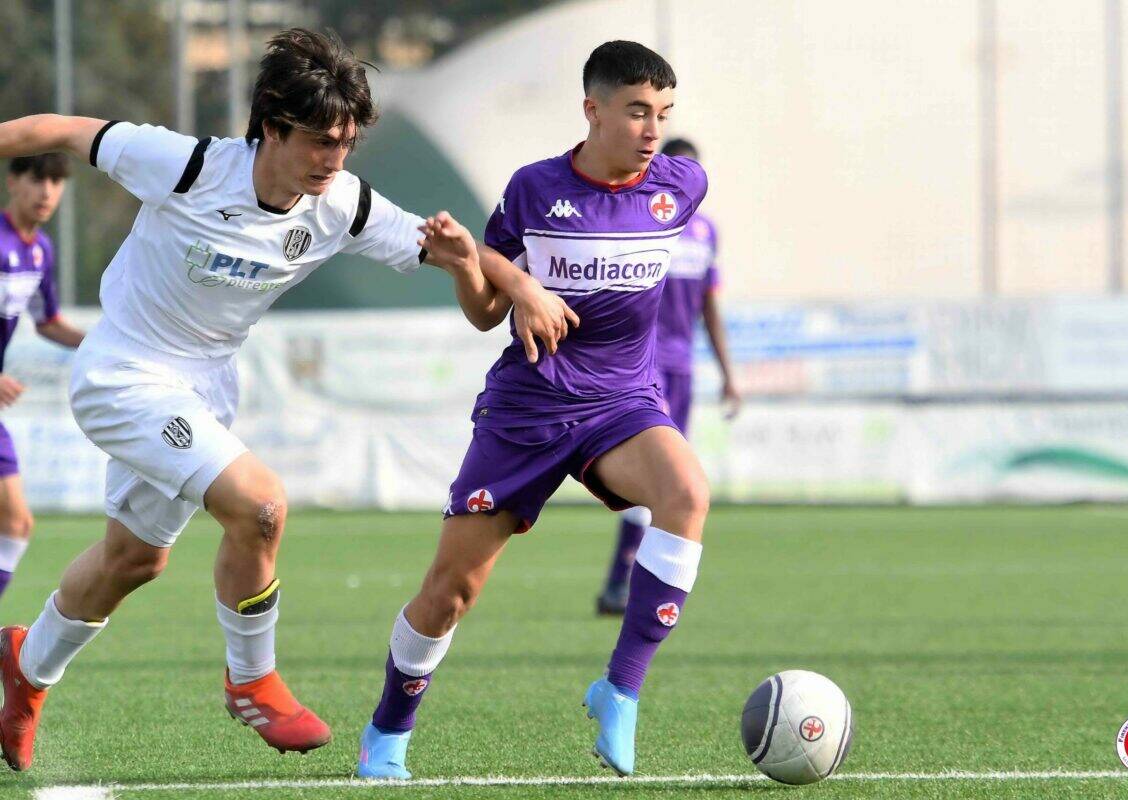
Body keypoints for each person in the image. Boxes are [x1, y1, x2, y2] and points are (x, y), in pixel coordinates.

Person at [0, 28, 573, 772]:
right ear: (271, 125)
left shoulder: (341, 204)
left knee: (132, 561)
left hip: (205, 386)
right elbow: (59, 131)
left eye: (346, 144)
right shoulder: (189, 165)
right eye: (319, 141)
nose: (334, 160)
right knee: (260, 504)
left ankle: (24, 667)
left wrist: (513, 281)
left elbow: (450, 255)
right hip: (124, 373)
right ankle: (252, 682)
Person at [358, 40, 708, 780]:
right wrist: (489, 273)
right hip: (530, 410)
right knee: (451, 593)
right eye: (637, 111)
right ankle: (389, 730)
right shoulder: (534, 189)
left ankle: (621, 688)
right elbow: (484, 311)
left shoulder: (682, 188)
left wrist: (515, 280)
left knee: (687, 495)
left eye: (664, 114)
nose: (652, 129)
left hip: (622, 402)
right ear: (593, 110)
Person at [596, 137, 739, 615]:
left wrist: (727, 373)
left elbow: (710, 307)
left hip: (682, 370)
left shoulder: (706, 233)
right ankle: (622, 583)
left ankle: (629, 585)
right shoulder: (645, 224)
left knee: (674, 484)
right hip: (641, 367)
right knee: (657, 479)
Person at [0, 154, 87, 605]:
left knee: (15, 524)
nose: (48, 191)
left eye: (57, 181)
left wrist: (102, 345)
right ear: (13, 181)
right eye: (38, 179)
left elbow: (48, 321)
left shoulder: (39, 250)